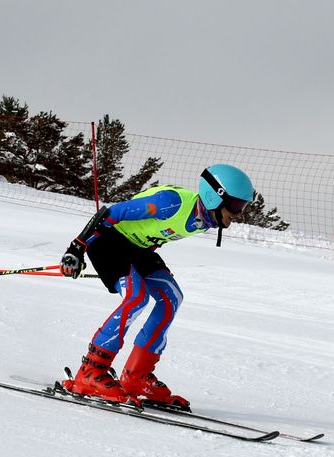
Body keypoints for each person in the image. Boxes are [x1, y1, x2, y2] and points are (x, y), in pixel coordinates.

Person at [58, 164, 255, 409]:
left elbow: (155, 231)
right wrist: (76, 248)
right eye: (236, 206)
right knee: (136, 297)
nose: (238, 214)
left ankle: (136, 376)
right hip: (108, 242)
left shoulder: (205, 219)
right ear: (214, 196)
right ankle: (91, 371)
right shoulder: (171, 203)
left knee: (171, 297)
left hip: (137, 249)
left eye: (242, 207)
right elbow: (111, 213)